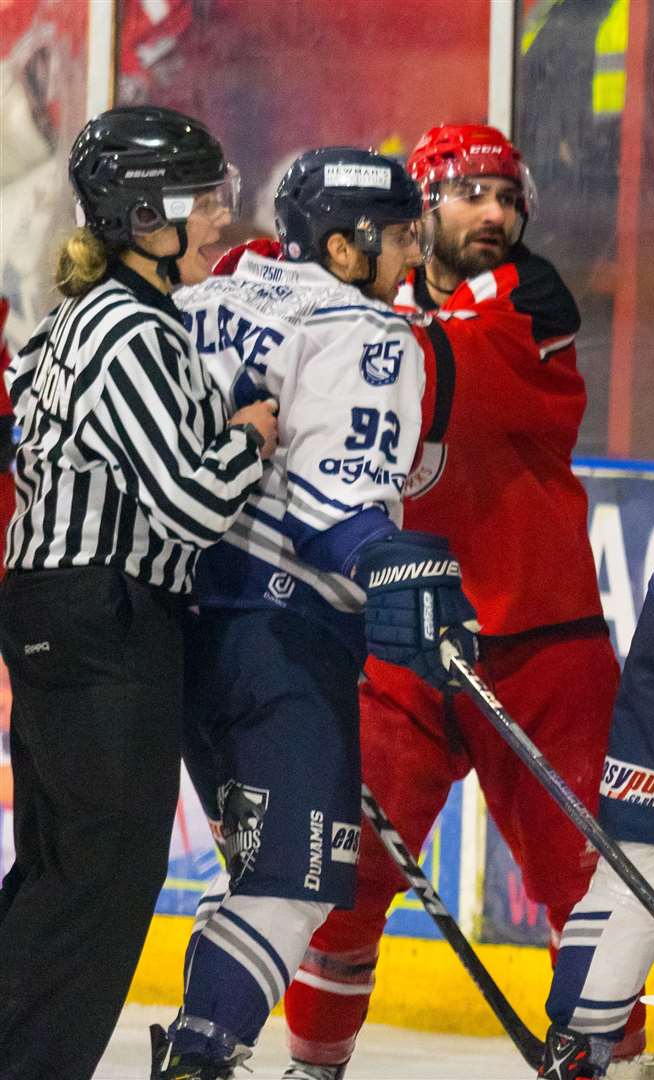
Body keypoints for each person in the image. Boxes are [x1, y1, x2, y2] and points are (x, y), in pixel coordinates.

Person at [280, 123, 635, 1078]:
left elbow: (432, 369)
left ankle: (602, 1062)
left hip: (539, 644)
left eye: (509, 197)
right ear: (419, 207)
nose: (496, 213)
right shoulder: (375, 301)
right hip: (397, 642)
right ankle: (312, 1068)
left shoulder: (533, 296)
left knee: (590, 886)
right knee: (341, 884)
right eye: (473, 194)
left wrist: (304, 311)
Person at [147, 147, 479, 1080]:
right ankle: (201, 1059)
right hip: (276, 639)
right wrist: (393, 566)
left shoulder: (204, 297)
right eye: (400, 236)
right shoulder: (369, 332)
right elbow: (333, 510)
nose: (412, 255)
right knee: (289, 884)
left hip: (172, 625)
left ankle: (199, 1045)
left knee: (258, 873)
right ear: (342, 246)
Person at [0, 105, 277, 1080]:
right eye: (201, 201)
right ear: (141, 211)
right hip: (101, 627)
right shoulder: (132, 332)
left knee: (62, 875)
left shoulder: (76, 320)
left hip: (61, 623)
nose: (218, 220)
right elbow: (192, 503)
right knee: (102, 884)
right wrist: (251, 431)